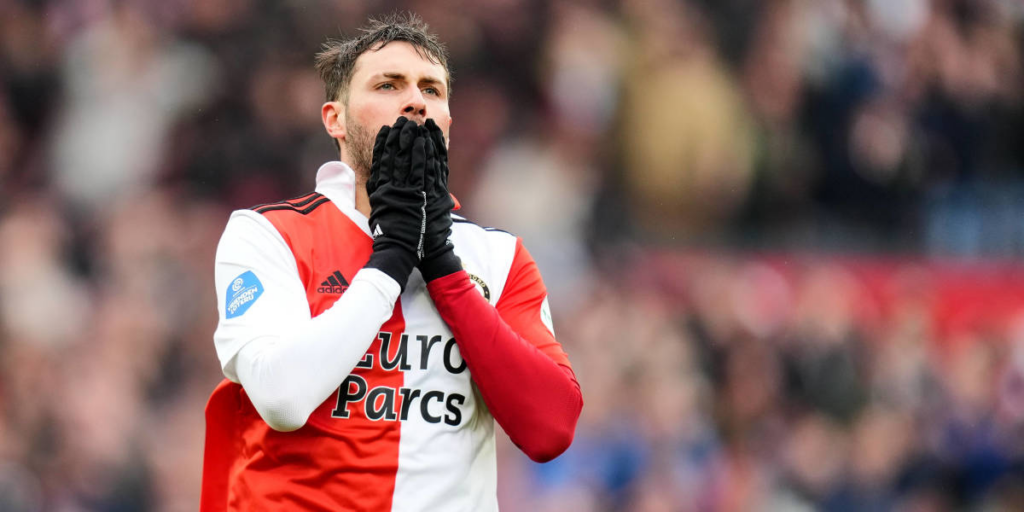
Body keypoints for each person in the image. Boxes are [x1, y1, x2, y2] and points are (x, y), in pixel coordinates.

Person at [199, 13, 583, 511]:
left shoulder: (498, 256)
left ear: (447, 120)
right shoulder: (268, 234)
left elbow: (550, 429)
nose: (415, 100)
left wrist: (445, 270)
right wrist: (389, 264)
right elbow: (282, 398)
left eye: (433, 89)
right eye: (388, 84)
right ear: (334, 119)